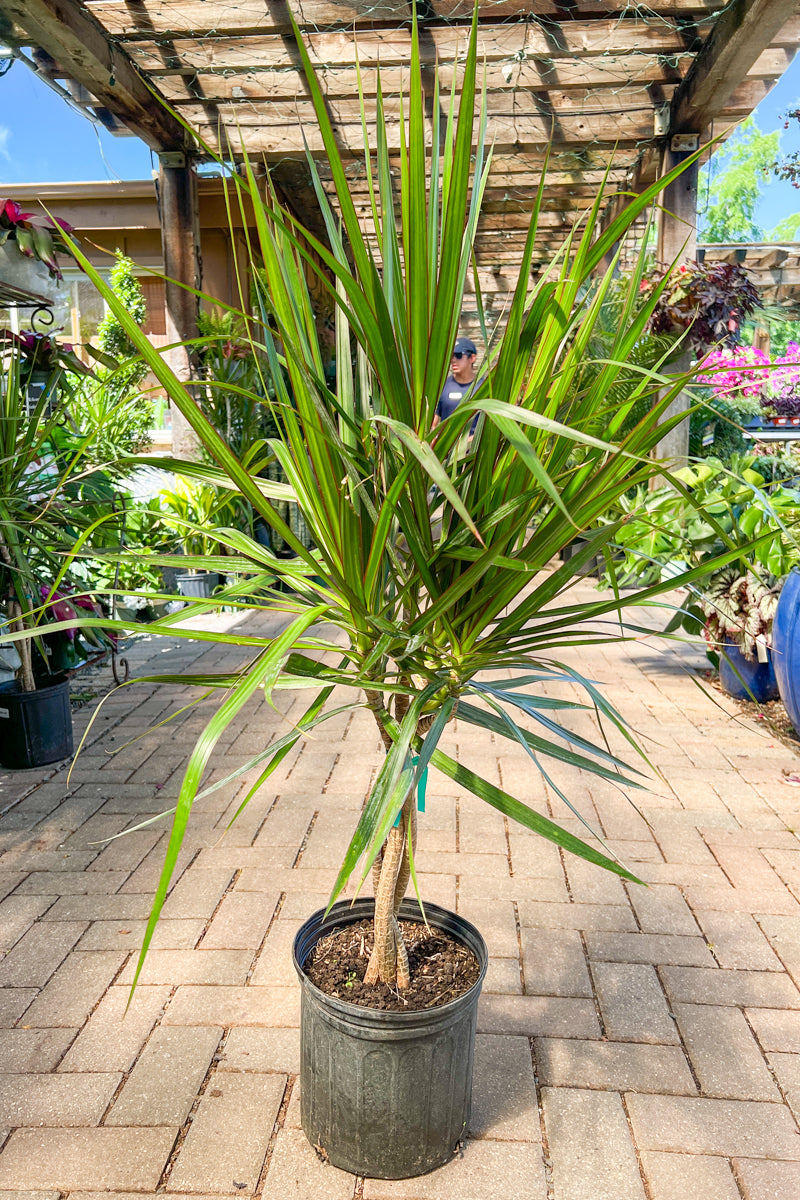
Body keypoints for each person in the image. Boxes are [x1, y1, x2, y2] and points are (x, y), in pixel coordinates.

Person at [432, 337, 479, 429]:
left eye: (458, 355)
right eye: (451, 355)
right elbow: (432, 423)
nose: (453, 360)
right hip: (447, 443)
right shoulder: (442, 387)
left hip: (476, 442)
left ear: (472, 358)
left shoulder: (483, 387)